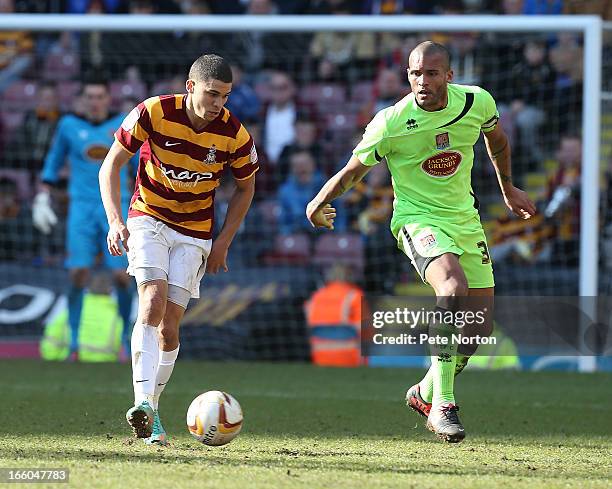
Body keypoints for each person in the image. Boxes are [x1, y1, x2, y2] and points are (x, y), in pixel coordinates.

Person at [306, 41, 536, 443]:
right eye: (415, 73)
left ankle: (424, 391)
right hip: (416, 220)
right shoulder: (392, 121)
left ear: (449, 75)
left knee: (477, 332)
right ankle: (444, 405)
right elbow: (352, 171)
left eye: (431, 73)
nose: (422, 81)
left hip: (465, 220)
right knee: (452, 288)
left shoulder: (476, 102)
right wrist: (319, 201)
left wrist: (508, 188)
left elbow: (496, 141)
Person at [99, 54, 258, 446]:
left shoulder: (234, 134)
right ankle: (143, 405)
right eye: (212, 93)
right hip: (148, 217)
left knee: (169, 328)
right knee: (150, 301)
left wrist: (223, 242)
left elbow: (246, 187)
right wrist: (116, 221)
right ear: (191, 87)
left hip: (194, 232)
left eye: (224, 95)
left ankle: (151, 407)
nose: (218, 102)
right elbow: (110, 166)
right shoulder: (153, 112)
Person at [33, 74, 136, 362]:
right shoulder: (68, 126)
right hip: (81, 206)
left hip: (118, 205)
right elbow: (53, 163)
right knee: (78, 273)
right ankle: (75, 343)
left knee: (122, 277)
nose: (94, 102)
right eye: (89, 97)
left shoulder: (123, 125)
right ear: (82, 100)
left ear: (108, 98)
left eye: (99, 96)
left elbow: (140, 164)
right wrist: (43, 195)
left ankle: (126, 340)